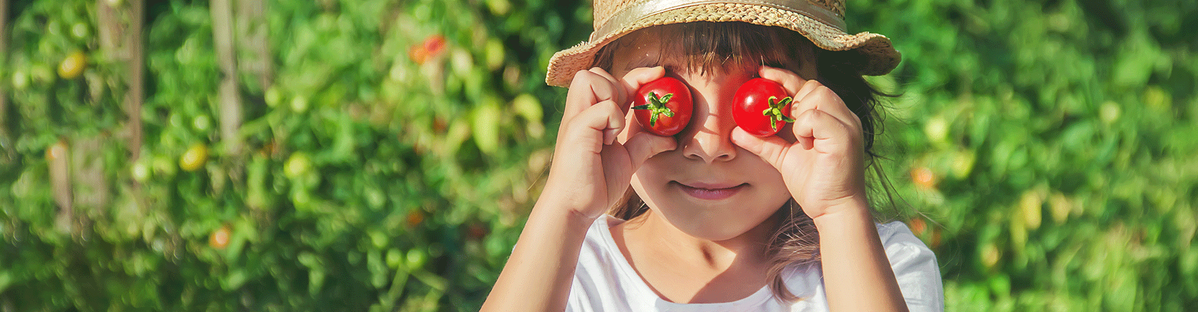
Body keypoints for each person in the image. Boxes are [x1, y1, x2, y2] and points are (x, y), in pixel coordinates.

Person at [482, 0, 943, 311]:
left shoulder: (881, 262)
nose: (711, 145)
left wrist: (842, 213)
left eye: (761, 97)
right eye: (666, 97)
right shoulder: (570, 267)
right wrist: (563, 208)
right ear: (609, 102)